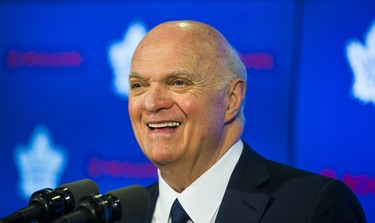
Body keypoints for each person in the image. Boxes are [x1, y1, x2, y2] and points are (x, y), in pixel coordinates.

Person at [126, 20, 366, 223]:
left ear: (231, 100)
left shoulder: (312, 207)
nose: (151, 103)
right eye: (138, 85)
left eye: (178, 82)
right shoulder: (123, 214)